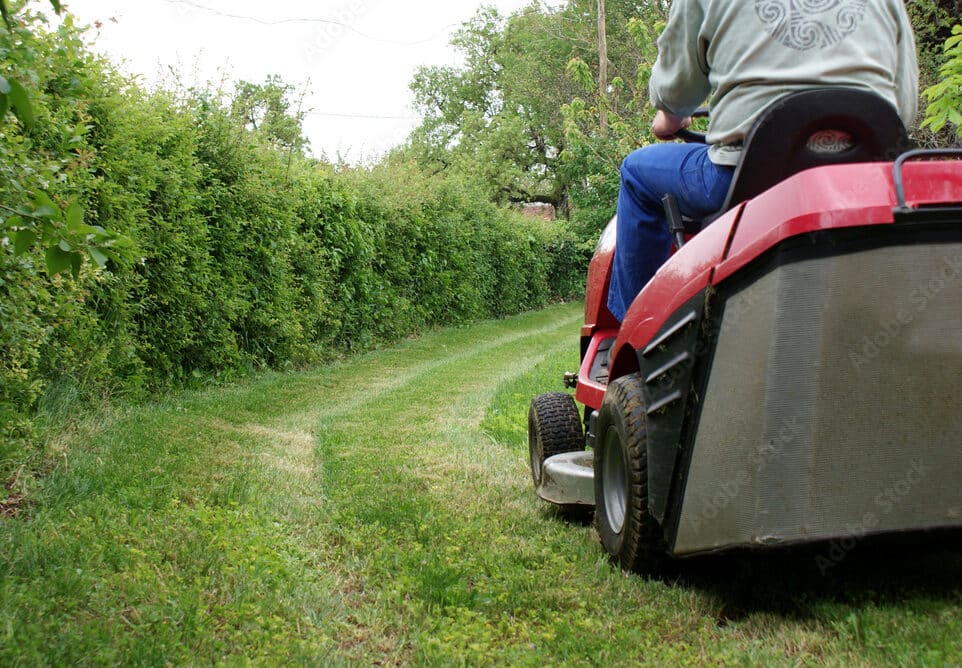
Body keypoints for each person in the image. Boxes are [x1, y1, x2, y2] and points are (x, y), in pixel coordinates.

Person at [606, 0, 919, 323]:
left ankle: (638, 335)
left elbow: (675, 91)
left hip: (743, 178)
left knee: (635, 171)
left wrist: (669, 120)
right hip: (857, 181)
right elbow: (904, 111)